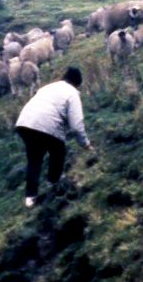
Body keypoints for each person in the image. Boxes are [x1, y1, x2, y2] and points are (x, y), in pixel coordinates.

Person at [15, 65, 93, 208]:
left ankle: (30, 197)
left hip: (24, 122)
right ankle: (54, 183)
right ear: (77, 83)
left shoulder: (48, 87)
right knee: (58, 151)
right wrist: (86, 144)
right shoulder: (72, 93)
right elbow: (76, 125)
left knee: (34, 159)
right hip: (46, 123)